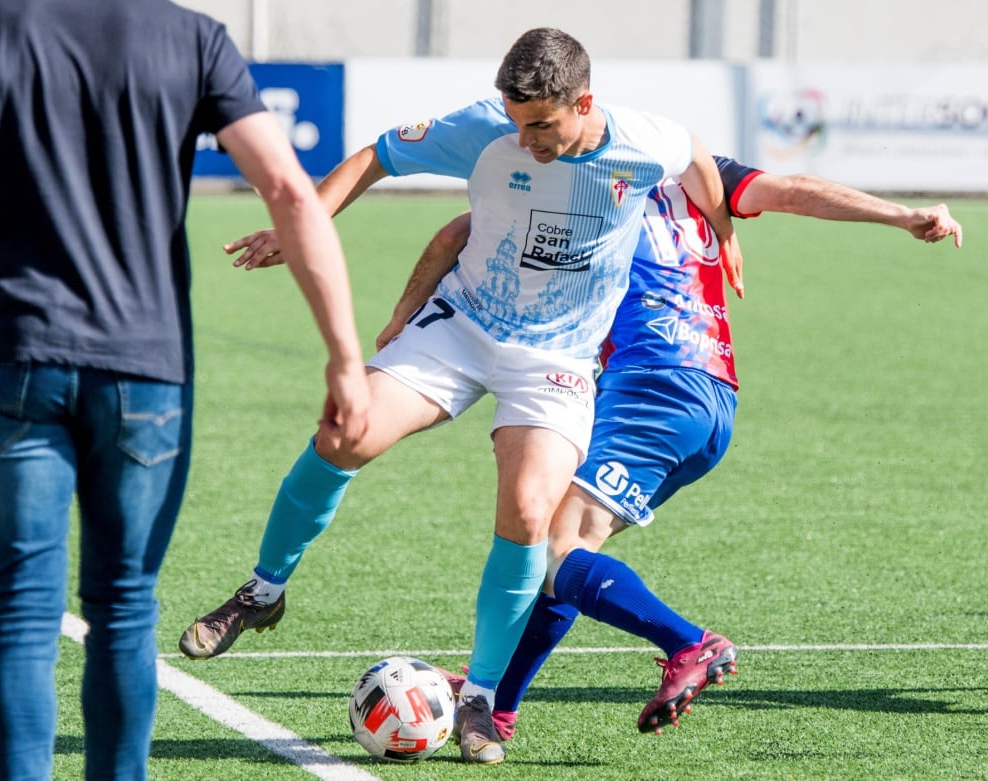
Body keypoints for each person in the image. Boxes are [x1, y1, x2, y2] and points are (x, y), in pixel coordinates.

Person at [178, 27, 740, 764]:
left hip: (558, 361)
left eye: (541, 124)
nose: (526, 139)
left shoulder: (642, 141)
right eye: (516, 122)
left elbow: (696, 155)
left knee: (531, 511)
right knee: (343, 434)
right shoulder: (484, 128)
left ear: (584, 103)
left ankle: (478, 699)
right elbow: (377, 155)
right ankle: (260, 592)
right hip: (464, 326)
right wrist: (300, 220)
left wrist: (724, 231)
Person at [0, 1, 371, 778]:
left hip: (9, 353)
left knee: (21, 609)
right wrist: (344, 356)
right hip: (143, 365)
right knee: (123, 608)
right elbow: (291, 191)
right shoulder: (192, 39)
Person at [390, 158, 963, 741]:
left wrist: (405, 322)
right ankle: (498, 706)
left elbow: (461, 234)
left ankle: (689, 643)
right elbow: (794, 190)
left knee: (556, 549)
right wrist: (902, 214)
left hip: (653, 386)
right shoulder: (699, 177)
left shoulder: (582, 191)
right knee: (567, 548)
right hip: (711, 395)